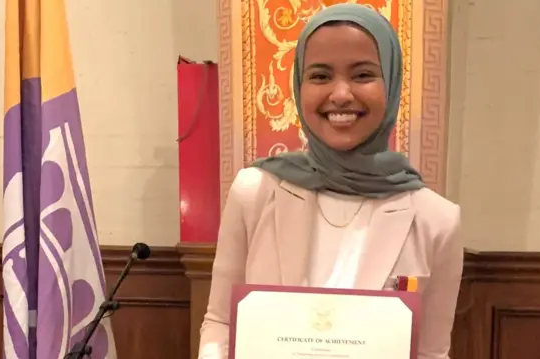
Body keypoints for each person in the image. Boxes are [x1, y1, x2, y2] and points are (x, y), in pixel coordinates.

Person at [198, 3, 463, 359]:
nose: (340, 94)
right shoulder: (255, 191)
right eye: (320, 76)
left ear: (393, 82)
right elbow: (220, 322)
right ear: (299, 85)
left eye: (363, 75)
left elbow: (432, 352)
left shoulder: (437, 220)